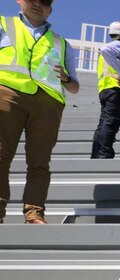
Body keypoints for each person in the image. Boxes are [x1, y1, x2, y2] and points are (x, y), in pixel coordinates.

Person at [1, 0, 79, 224]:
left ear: (51, 9)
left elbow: (74, 87)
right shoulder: (3, 25)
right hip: (7, 93)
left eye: (44, 1)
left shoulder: (60, 43)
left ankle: (34, 212)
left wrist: (64, 77)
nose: (38, 4)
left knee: (40, 162)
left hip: (48, 103)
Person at [91, 21, 120, 159]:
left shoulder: (117, 51)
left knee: (103, 123)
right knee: (111, 122)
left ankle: (97, 154)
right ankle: (105, 154)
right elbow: (106, 50)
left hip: (106, 89)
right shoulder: (118, 45)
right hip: (116, 90)